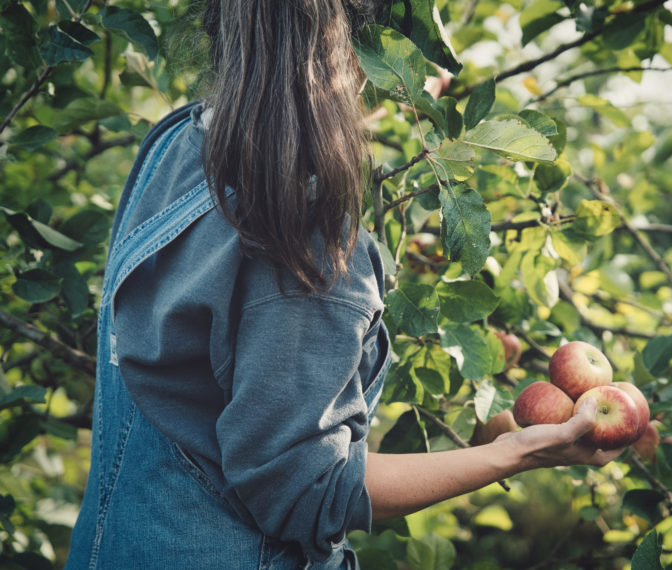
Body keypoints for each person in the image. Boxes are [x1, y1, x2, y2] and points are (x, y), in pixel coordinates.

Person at [65, 1, 622, 568]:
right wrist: (513, 455)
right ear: (363, 49)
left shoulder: (176, 148)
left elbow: (203, 402)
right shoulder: (306, 243)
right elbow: (309, 494)